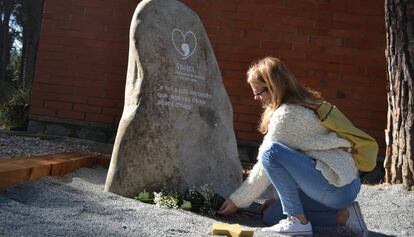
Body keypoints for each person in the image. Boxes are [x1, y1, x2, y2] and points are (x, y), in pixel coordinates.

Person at [218, 57, 366, 236]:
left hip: (336, 186)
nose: (255, 97)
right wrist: (275, 197)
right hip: (347, 184)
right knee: (271, 215)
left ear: (273, 87)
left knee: (268, 152)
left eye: (258, 92)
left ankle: (297, 222)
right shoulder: (304, 101)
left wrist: (236, 201)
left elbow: (264, 168)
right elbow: (292, 161)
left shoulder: (286, 115)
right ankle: (345, 216)